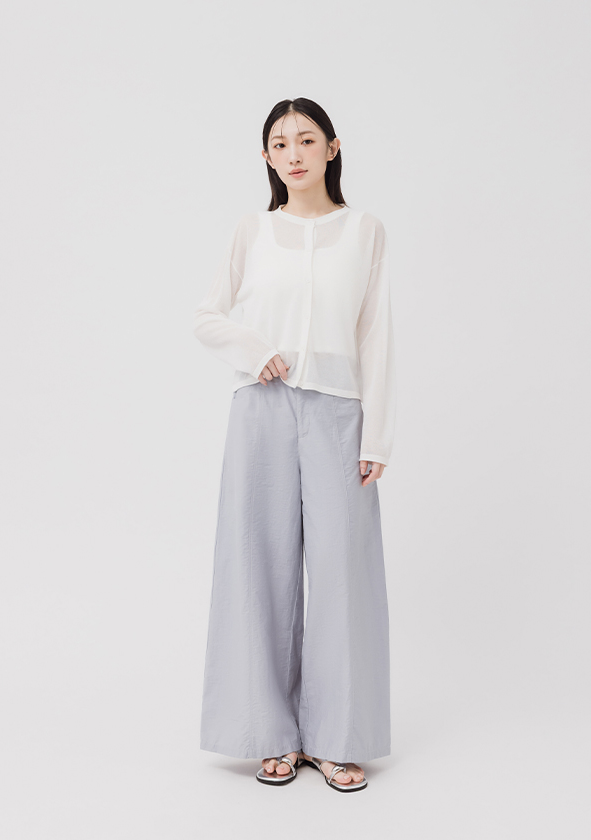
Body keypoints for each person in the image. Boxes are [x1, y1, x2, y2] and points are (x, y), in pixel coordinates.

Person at [192, 97, 397, 793]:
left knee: (344, 572)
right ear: (266, 157)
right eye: (280, 144)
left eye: (306, 140)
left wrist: (378, 433)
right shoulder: (252, 230)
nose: (294, 153)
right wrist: (255, 351)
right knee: (258, 565)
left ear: (332, 148)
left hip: (339, 411)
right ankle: (268, 734)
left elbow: (376, 334)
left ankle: (338, 739)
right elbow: (207, 316)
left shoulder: (364, 231)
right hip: (262, 407)